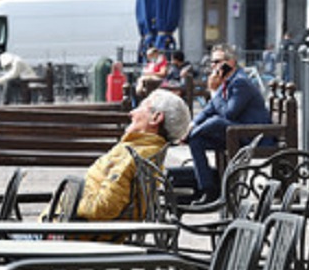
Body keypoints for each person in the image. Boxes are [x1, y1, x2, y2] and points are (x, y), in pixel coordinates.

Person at [75, 89, 190, 222]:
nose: (131, 113)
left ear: (156, 118)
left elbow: (102, 209)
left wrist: (69, 202)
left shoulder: (134, 155)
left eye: (141, 107)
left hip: (77, 232)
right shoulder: (143, 150)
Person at [185, 43, 271, 203]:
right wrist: (193, 124)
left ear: (230, 62)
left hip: (252, 134)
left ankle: (188, 136)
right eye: (212, 62)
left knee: (215, 122)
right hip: (235, 132)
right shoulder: (227, 81)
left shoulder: (240, 82)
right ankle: (209, 189)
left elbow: (228, 113)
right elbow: (209, 109)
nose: (213, 66)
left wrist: (213, 92)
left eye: (217, 62)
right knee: (196, 141)